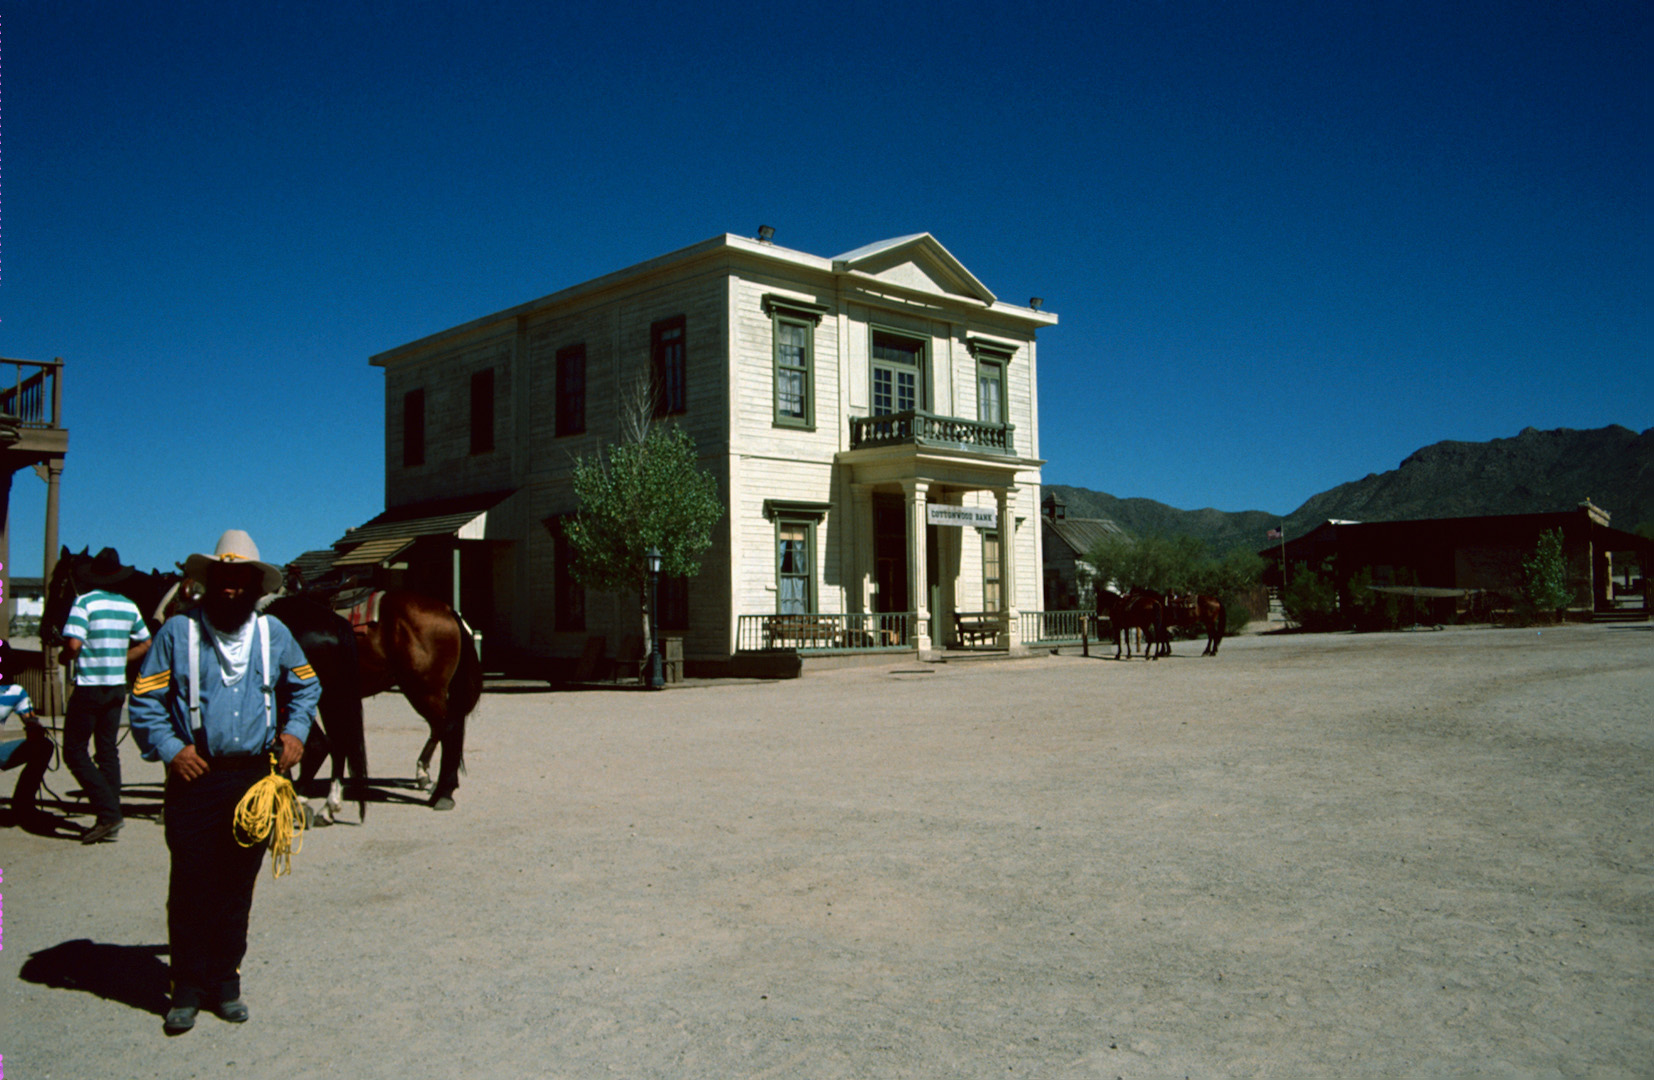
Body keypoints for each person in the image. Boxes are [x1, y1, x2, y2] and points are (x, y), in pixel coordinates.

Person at [128, 530, 320, 1034]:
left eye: (242, 580)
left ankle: (226, 983)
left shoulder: (272, 634)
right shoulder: (178, 634)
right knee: (190, 883)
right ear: (209, 582)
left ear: (256, 586)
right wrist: (172, 750)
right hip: (197, 778)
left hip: (254, 780)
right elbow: (145, 700)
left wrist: (295, 732)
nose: (232, 588)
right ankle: (186, 988)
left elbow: (306, 684)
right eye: (223, 579)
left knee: (237, 886)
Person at [60, 546, 152, 845]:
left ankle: (108, 812)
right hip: (115, 686)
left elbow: (73, 645)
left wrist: (64, 656)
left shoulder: (84, 602)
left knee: (74, 751)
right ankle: (111, 811)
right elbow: (146, 643)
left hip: (89, 685)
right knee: (107, 750)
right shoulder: (128, 605)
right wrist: (120, 658)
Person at [0, 677, 55, 830]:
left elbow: (32, 726)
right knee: (43, 746)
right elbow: (31, 724)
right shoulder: (15, 691)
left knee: (42, 746)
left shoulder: (16, 691)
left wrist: (35, 728)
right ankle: (23, 807)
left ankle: (22, 805)